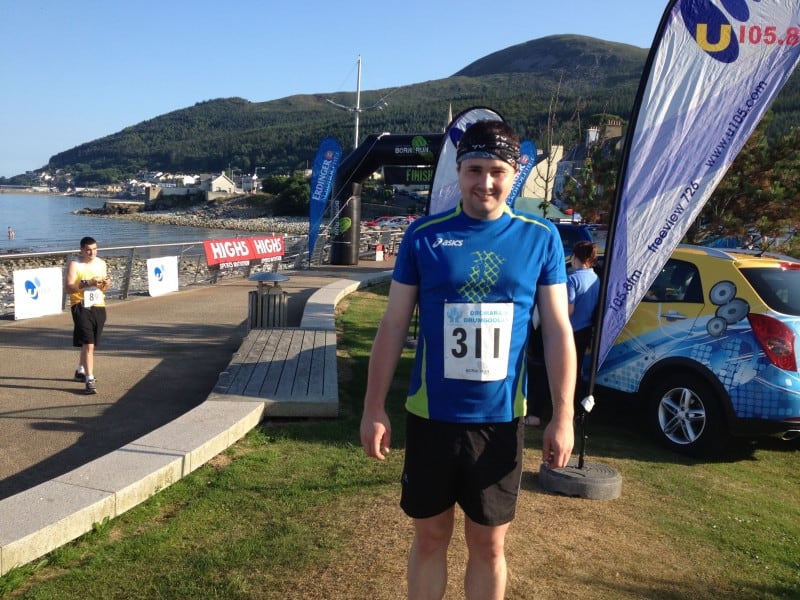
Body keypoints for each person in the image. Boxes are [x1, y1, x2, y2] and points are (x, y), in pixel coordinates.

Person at [360, 120, 575, 599]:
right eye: (474, 170)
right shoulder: (424, 236)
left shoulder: (541, 238)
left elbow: (559, 330)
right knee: (430, 536)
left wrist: (564, 414)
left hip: (499, 422)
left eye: (496, 171)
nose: (485, 183)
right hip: (432, 416)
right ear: (458, 172)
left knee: (490, 545)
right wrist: (374, 408)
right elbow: (393, 325)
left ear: (513, 173)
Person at [525, 240, 600, 425]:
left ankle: (535, 415)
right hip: (584, 332)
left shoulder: (572, 279)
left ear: (575, 257)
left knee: (546, 371)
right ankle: (572, 417)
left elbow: (568, 310)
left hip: (566, 332)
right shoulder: (596, 279)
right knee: (574, 374)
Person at [65, 236, 111, 394]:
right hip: (80, 305)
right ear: (82, 250)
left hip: (98, 305)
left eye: (95, 249)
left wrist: (106, 284)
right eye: (88, 250)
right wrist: (87, 283)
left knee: (89, 343)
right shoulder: (75, 264)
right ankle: (89, 379)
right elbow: (69, 288)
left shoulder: (101, 263)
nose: (92, 252)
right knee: (89, 343)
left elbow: (103, 287)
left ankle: (80, 370)